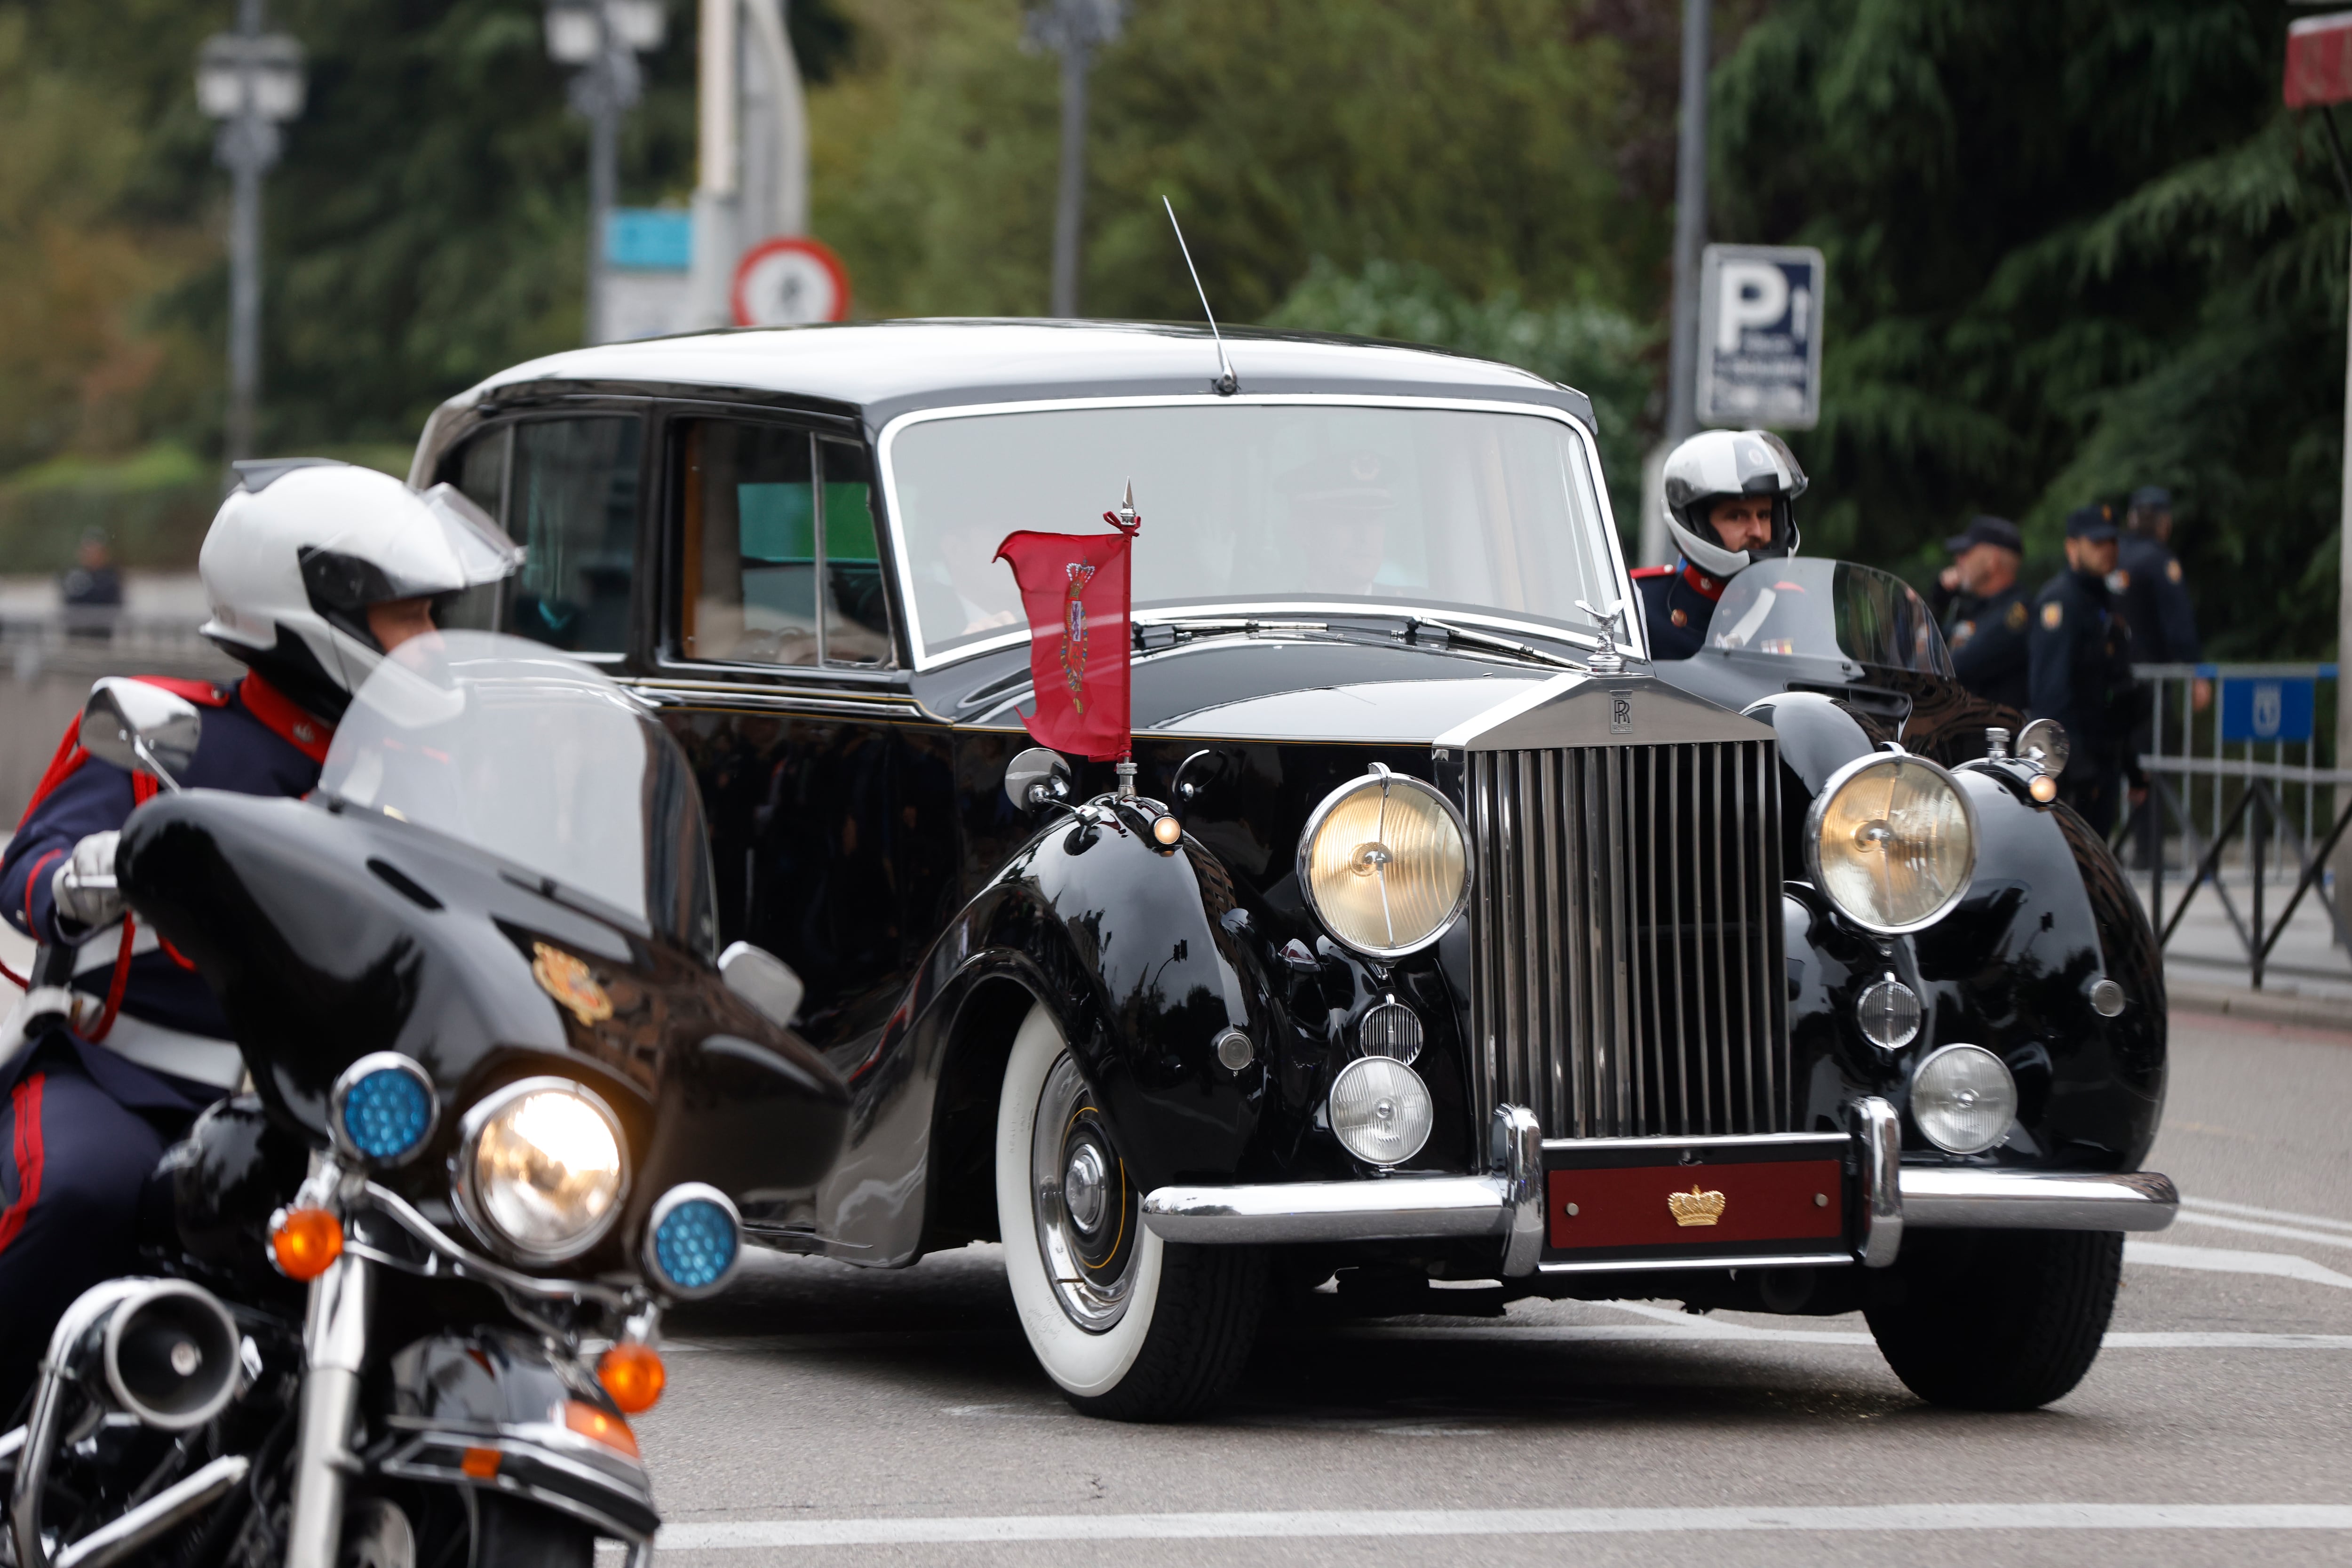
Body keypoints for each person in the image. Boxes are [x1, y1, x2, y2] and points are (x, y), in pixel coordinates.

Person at [0, 459, 521, 1415]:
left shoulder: (435, 771)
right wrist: (93, 875)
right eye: (411, 616)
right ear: (312, 610)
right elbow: (29, 868)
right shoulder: (177, 736)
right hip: (136, 1084)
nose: (433, 642)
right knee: (75, 1195)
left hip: (350, 1109)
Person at [1633, 429, 1807, 659]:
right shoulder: (1642, 604)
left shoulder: (1796, 607)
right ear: (1694, 523)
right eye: (1737, 517)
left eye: (1764, 515)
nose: (1757, 531)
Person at [2028, 503, 2140, 836]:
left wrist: (2132, 767)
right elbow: (2052, 695)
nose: (2108, 551)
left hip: (2104, 760)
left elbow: (2116, 690)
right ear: (2072, 548)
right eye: (2097, 543)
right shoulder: (2061, 602)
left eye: (2112, 542)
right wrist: (2076, 768)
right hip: (2074, 770)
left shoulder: (2104, 601)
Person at [1931, 514, 2030, 711]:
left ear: (1991, 560)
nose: (1958, 560)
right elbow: (1925, 655)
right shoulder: (1976, 609)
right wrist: (1937, 604)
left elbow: (1952, 668)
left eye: (1966, 553)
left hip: (1998, 736)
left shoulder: (2016, 614)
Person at [59, 530, 123, 641]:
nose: (92, 556)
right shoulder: (74, 575)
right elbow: (70, 600)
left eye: (96, 552)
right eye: (88, 552)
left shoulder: (111, 576)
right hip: (77, 636)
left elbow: (113, 601)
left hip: (101, 637)